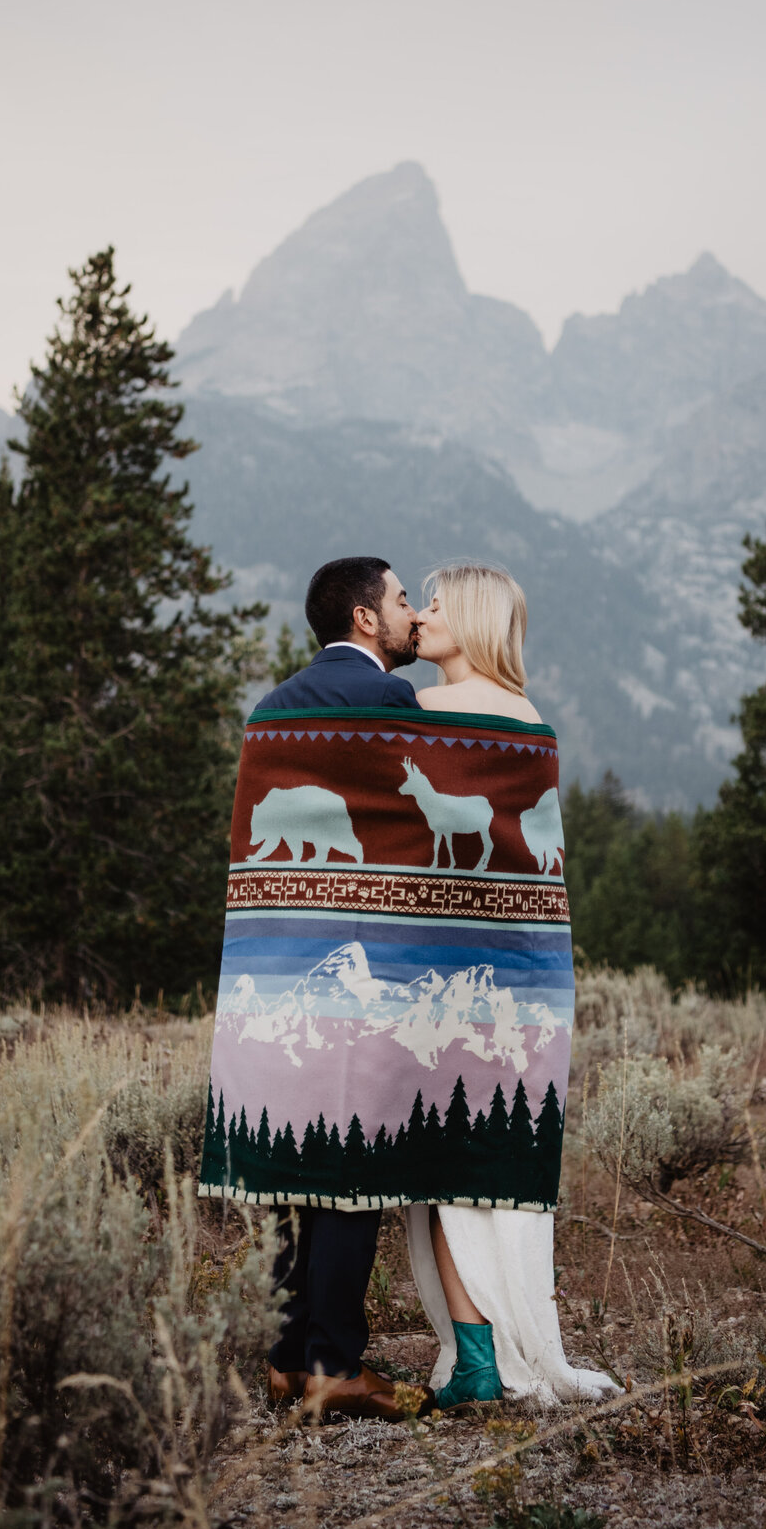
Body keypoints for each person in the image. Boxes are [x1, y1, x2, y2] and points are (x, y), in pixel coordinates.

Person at [405, 561, 619, 1407]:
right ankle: (493, 1349)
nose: (420, 617)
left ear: (474, 619)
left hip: (447, 970)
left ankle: (481, 1359)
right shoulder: (529, 717)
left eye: (434, 605)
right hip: (525, 970)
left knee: (447, 1148)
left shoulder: (421, 710)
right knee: (492, 1152)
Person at [257, 556, 433, 1422]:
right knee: (355, 1160)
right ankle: (336, 1363)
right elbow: (404, 834)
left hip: (284, 964)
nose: (412, 614)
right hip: (363, 965)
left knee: (297, 1155)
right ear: (366, 618)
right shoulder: (393, 702)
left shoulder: (271, 707)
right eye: (402, 600)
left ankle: (289, 1357)